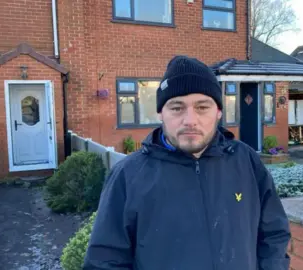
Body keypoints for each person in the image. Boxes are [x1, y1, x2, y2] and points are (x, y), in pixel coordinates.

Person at [83, 55, 291, 270]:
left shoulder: (245, 161)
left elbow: (273, 233)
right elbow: (104, 261)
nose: (190, 120)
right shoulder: (128, 176)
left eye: (202, 107)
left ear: (218, 112)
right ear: (161, 113)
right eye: (176, 107)